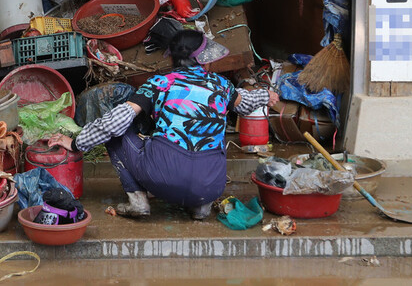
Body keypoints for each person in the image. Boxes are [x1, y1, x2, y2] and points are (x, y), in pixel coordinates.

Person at [49, 29, 278, 220]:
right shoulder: (223, 85)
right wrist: (266, 96)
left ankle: (138, 201)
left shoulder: (160, 83)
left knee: (117, 130)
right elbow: (244, 103)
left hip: (164, 177)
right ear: (202, 61)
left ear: (173, 59)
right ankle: (200, 208)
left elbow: (116, 121)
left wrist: (77, 143)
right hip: (211, 186)